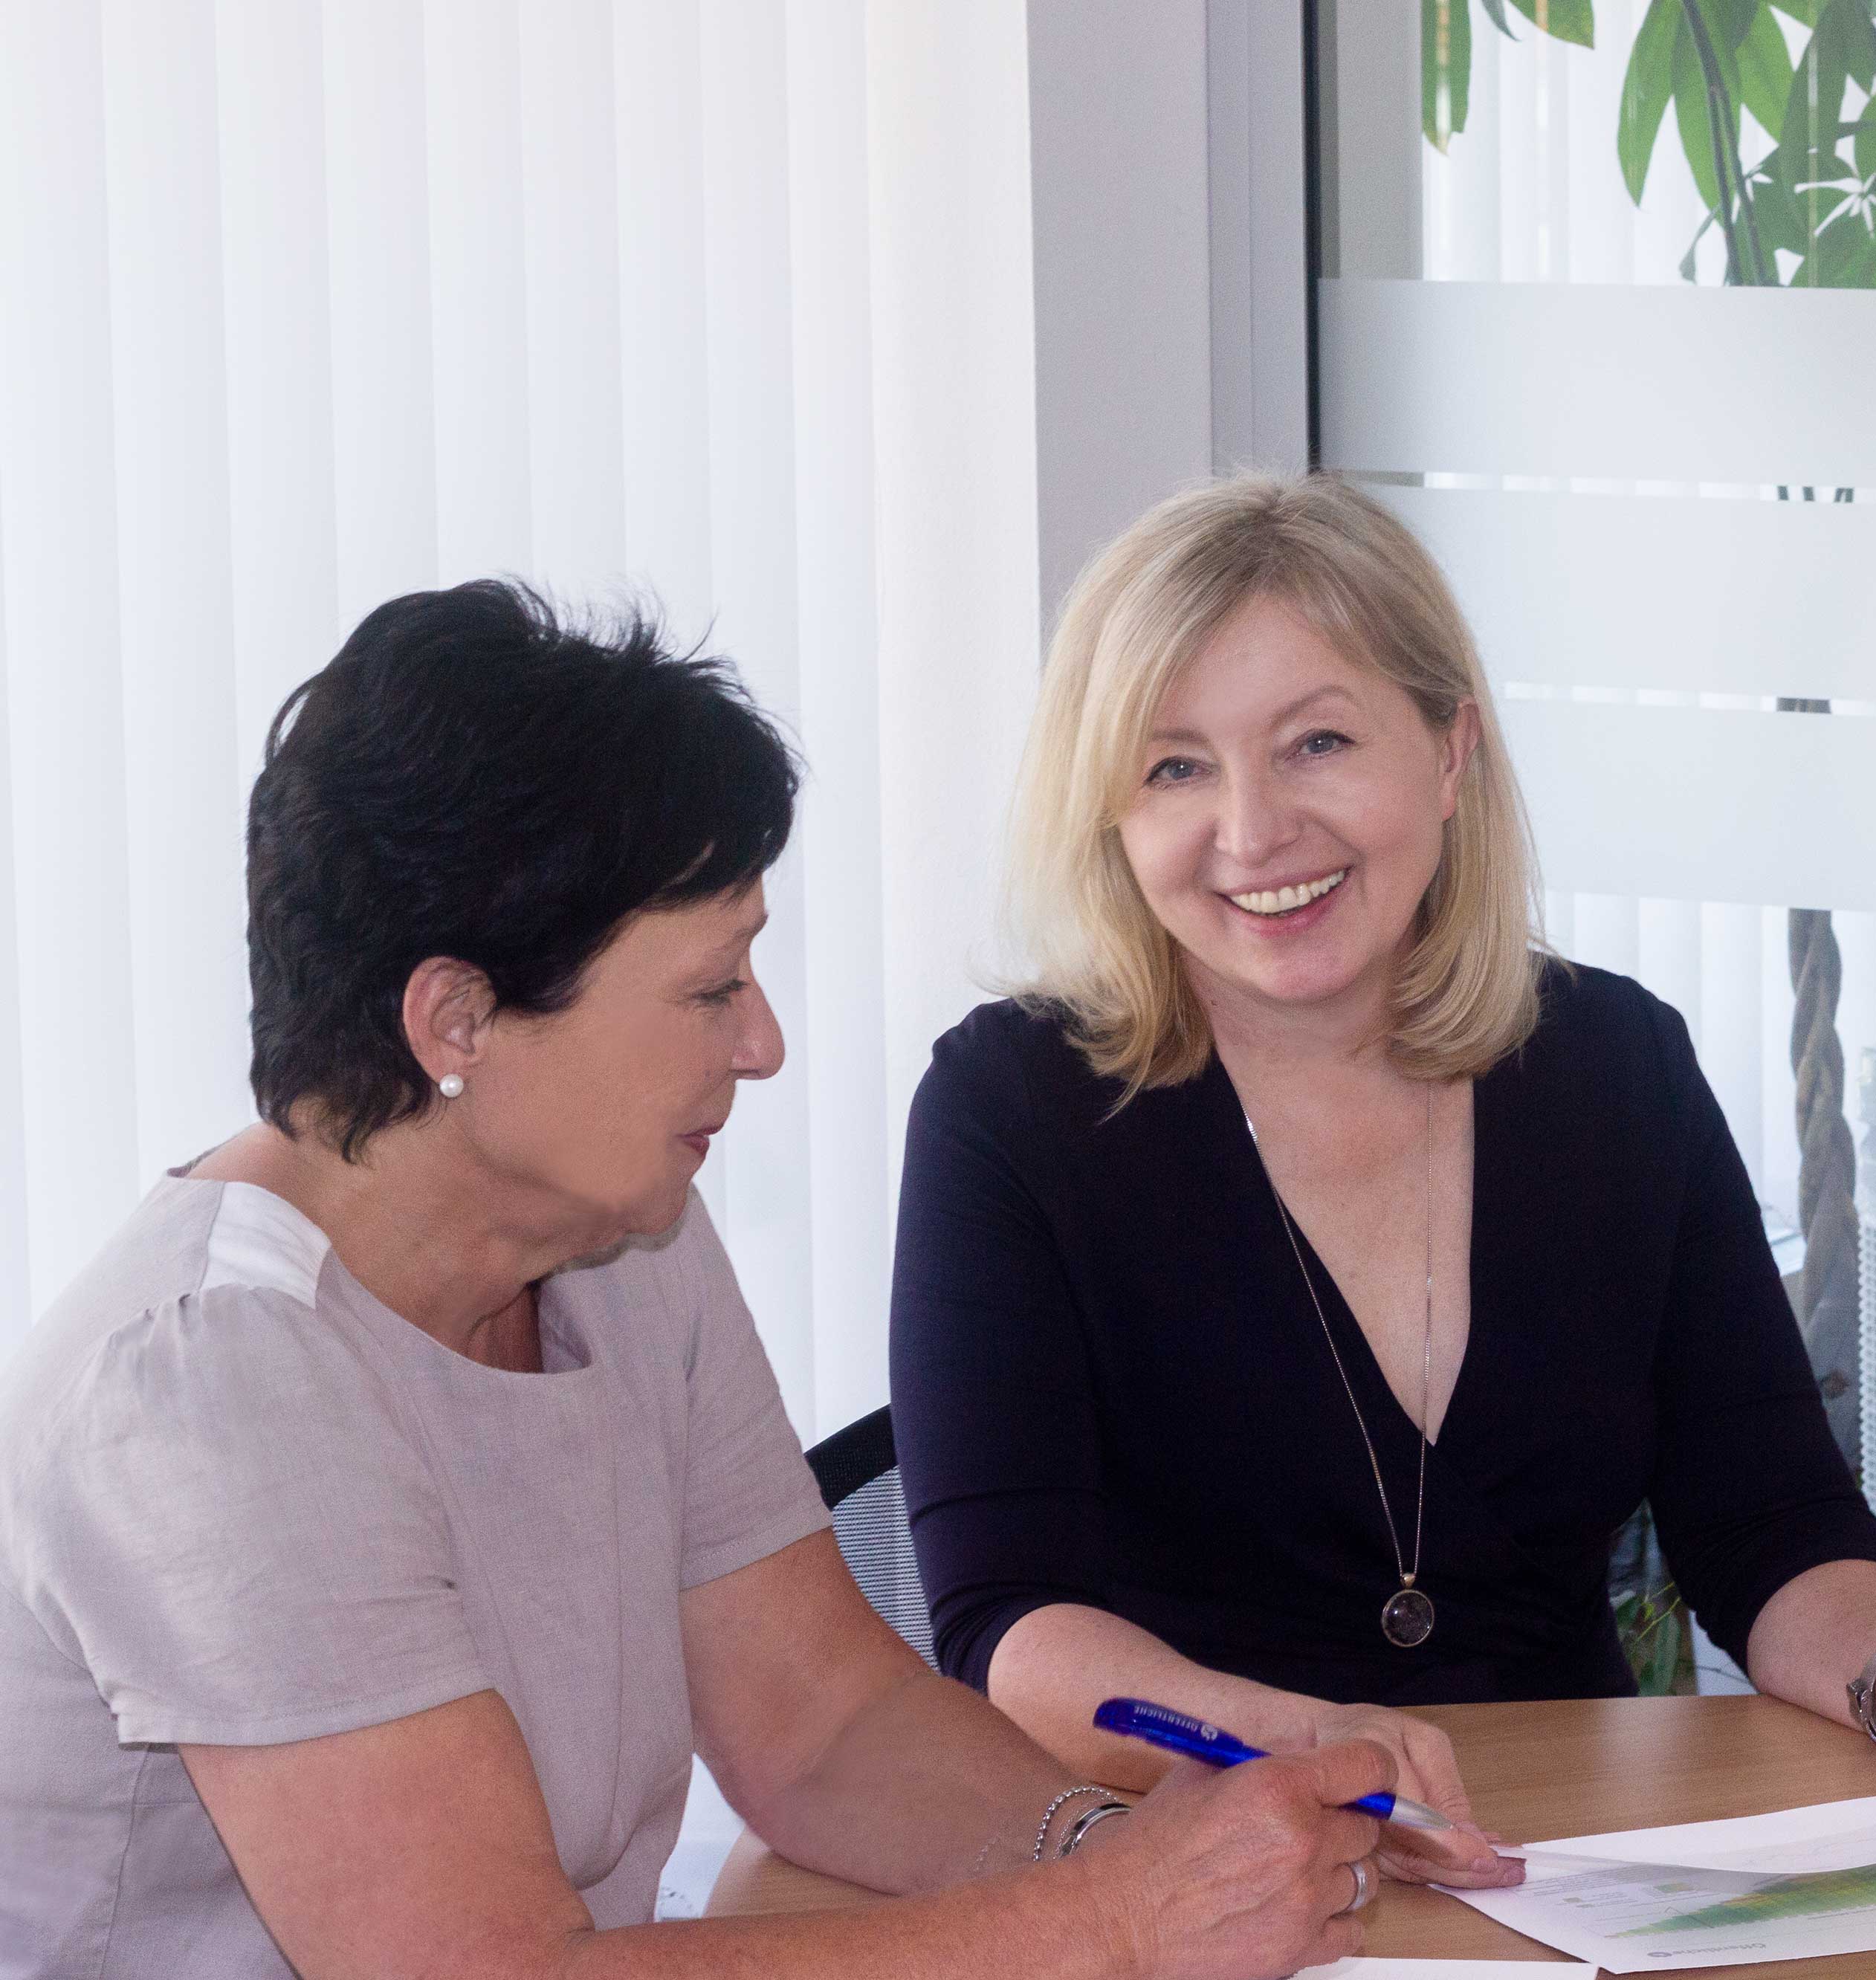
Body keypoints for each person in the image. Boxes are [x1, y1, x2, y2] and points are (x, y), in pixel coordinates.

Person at [0, 581, 1391, 1980]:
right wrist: (1122, 1920)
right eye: (713, 987)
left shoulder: (612, 1233)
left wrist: (1109, 1849)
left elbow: (824, 1725)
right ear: (458, 1019)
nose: (765, 1042)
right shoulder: (209, 1385)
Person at [888, 474, 1876, 1892]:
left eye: (1317, 741)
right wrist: (1308, 1746)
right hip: (1196, 1871)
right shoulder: (1010, 1107)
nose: (1253, 830)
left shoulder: (1616, 1067)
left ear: (1449, 752)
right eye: (1174, 769)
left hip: (1574, 1865)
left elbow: (1770, 1525)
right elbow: (1011, 1627)